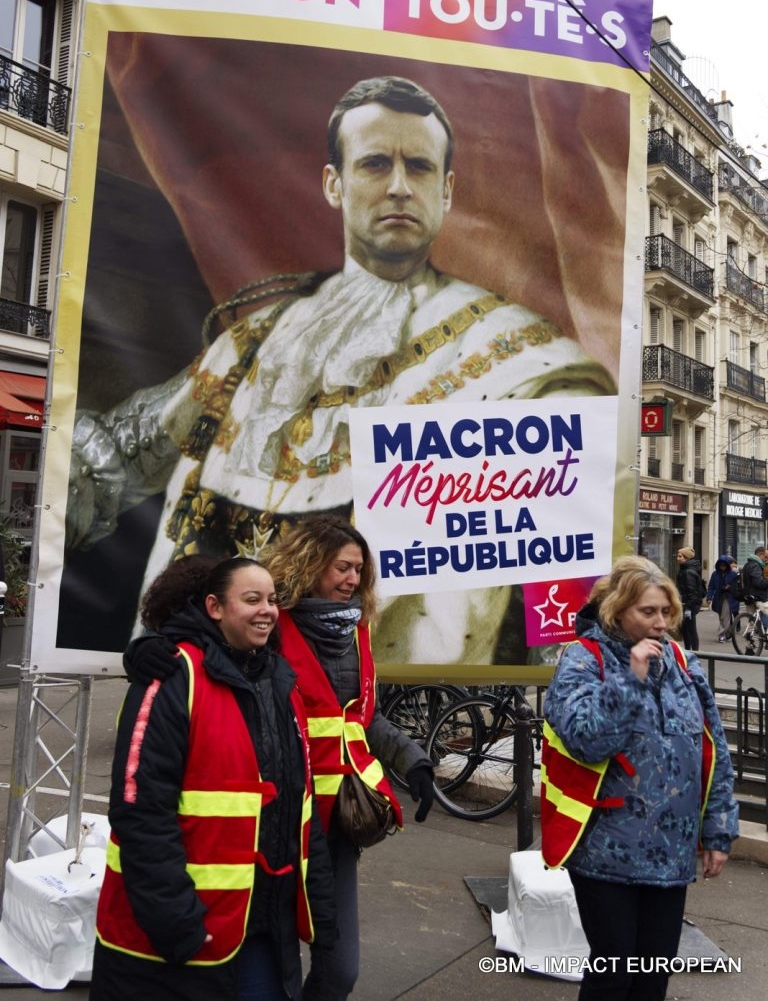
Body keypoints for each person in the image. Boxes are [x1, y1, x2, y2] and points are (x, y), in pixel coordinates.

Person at [66, 75, 615, 666]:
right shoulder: (257, 339)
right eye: (376, 163)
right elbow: (115, 457)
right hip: (203, 682)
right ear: (335, 183)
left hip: (380, 698)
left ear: (448, 190)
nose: (400, 187)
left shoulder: (522, 361)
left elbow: (554, 569)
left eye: (421, 168)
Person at [128, 514, 434, 1001]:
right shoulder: (271, 619)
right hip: (273, 820)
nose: (353, 580)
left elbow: (361, 717)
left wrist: (413, 760)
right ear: (311, 564)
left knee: (339, 970)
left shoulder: (357, 633)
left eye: (360, 570)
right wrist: (146, 649)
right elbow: (202, 638)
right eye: (342, 567)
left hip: (334, 822)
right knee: (262, 967)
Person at [91, 556, 336, 1001]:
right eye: (251, 599)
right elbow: (141, 813)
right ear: (214, 606)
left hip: (263, 929)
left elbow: (302, 814)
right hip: (182, 941)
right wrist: (178, 927)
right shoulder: (172, 676)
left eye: (272, 600)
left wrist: (324, 927)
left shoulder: (280, 684)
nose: (267, 609)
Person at [541, 555, 738, 1001]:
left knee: (652, 977)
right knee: (614, 976)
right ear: (617, 610)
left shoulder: (684, 663)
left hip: (671, 854)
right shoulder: (582, 659)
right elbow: (587, 740)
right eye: (648, 612)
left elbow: (713, 751)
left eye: (666, 611)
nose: (661, 622)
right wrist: (631, 678)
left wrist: (719, 831)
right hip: (605, 851)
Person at [674, 545, 703, 651]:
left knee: (690, 629)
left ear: (686, 558)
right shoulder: (685, 570)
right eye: (678, 556)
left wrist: (689, 608)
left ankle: (695, 652)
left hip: (688, 605)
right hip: (686, 604)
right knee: (686, 629)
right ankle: (688, 651)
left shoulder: (687, 572)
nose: (678, 558)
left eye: (680, 556)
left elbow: (691, 591)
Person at [705, 554, 740, 642]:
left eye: (724, 565)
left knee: (725, 616)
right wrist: (709, 597)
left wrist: (729, 587)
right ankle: (728, 633)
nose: (722, 567)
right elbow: (711, 586)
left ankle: (722, 635)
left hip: (729, 598)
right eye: (721, 565)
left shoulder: (733, 574)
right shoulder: (715, 574)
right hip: (718, 598)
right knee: (721, 617)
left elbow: (737, 586)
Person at [741, 545, 768, 630]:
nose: (766, 559)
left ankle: (751, 637)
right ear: (760, 555)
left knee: (753, 620)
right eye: (766, 557)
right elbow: (758, 583)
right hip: (758, 596)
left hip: (749, 595)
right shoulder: (756, 565)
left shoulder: (747, 565)